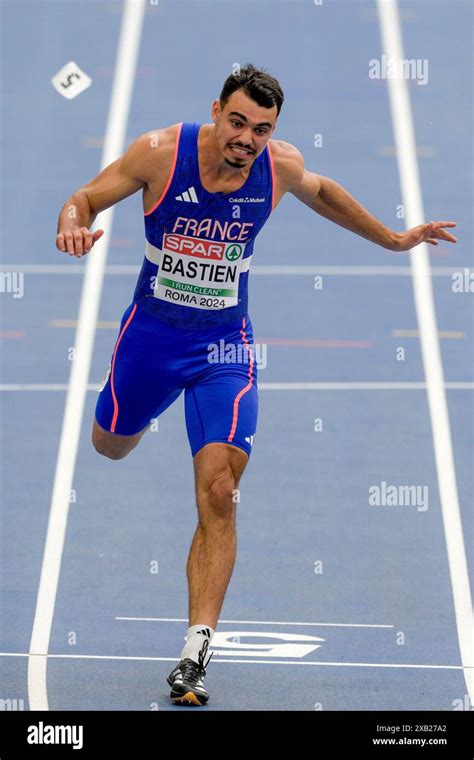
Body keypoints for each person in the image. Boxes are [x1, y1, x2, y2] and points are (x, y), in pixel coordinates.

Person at [55, 64, 457, 706]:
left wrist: (393, 240)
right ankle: (126, 413)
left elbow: (324, 193)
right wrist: (72, 223)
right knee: (110, 446)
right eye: (238, 123)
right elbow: (85, 196)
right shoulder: (160, 153)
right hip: (152, 340)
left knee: (220, 490)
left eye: (262, 130)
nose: (247, 139)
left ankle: (194, 653)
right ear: (216, 111)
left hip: (224, 348)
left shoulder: (278, 167)